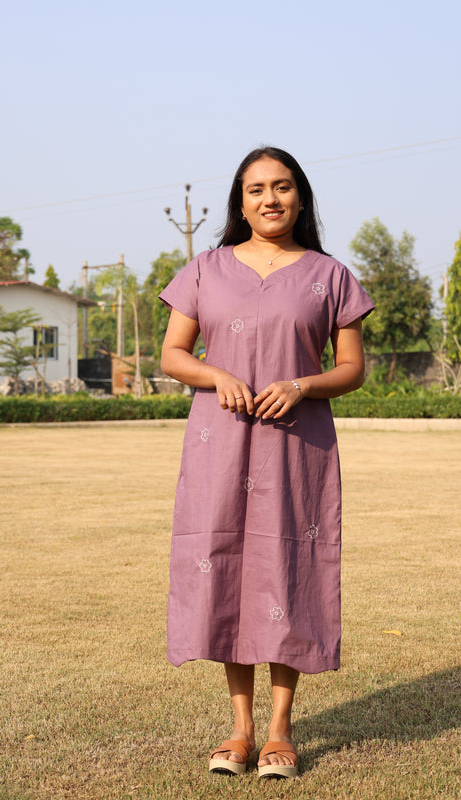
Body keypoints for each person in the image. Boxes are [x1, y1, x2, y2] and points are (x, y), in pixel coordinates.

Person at [159, 146, 374, 779]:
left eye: (281, 187)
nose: (269, 199)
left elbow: (352, 368)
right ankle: (240, 728)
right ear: (240, 201)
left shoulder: (330, 275)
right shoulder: (205, 268)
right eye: (256, 189)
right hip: (219, 442)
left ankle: (281, 732)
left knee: (285, 566)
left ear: (301, 198)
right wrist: (215, 373)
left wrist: (304, 385)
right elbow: (173, 355)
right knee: (227, 567)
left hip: (296, 443)